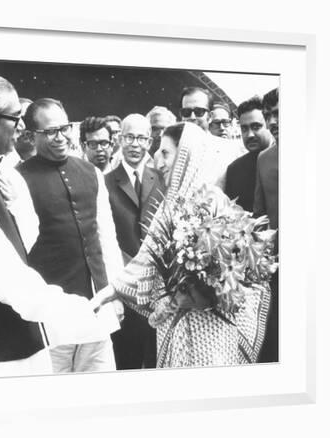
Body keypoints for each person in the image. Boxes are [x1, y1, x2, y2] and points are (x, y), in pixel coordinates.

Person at [0, 72, 118, 379]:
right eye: (15, 118)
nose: (22, 127)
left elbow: (20, 248)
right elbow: (4, 275)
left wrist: (21, 210)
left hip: (9, 343)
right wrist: (81, 311)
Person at [93, 122, 270, 367]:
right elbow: (143, 263)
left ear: (187, 156)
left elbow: (239, 270)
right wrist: (105, 294)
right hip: (175, 325)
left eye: (166, 153)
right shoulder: (169, 207)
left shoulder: (215, 201)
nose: (158, 162)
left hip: (212, 329)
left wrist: (201, 293)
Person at [18, 98, 124, 373]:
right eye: (50, 131)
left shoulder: (90, 172)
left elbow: (106, 237)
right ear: (31, 136)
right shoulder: (18, 179)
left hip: (97, 306)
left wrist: (116, 290)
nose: (60, 137)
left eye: (64, 128)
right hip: (52, 314)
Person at [105, 113, 166, 369]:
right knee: (126, 364)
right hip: (124, 290)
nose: (135, 144)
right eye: (129, 137)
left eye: (141, 138)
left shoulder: (162, 178)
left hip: (157, 294)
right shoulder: (106, 181)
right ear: (119, 139)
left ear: (150, 142)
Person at [254, 87, 279, 363]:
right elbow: (259, 215)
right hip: (278, 270)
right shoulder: (265, 159)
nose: (273, 122)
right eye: (269, 115)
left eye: (279, 113)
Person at [179, 87, 245, 189]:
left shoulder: (231, 151)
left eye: (199, 111)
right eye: (186, 112)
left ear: (209, 116)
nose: (192, 117)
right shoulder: (172, 150)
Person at [225, 96, 274, 212]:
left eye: (256, 127)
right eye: (244, 129)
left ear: (268, 124)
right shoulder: (234, 170)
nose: (250, 134)